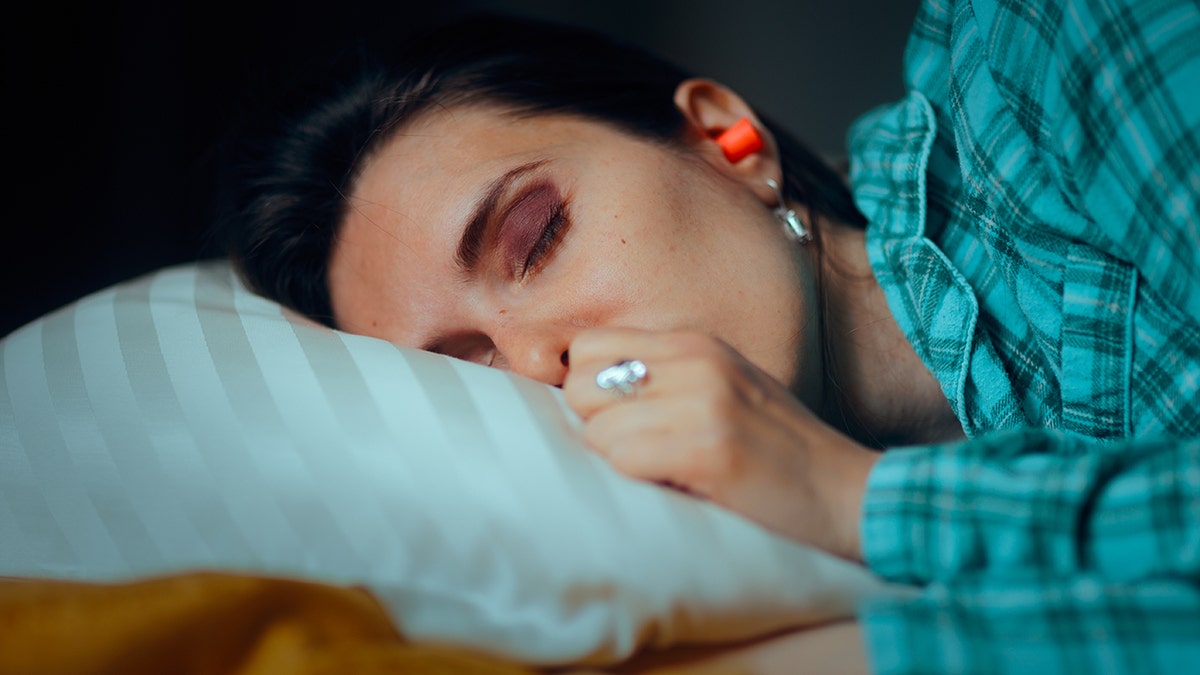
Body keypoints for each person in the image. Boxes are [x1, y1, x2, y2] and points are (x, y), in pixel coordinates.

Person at [221, 0, 1200, 671]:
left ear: (728, 138)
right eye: (471, 369)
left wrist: (854, 497)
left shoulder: (1057, 43)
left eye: (538, 236)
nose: (536, 365)